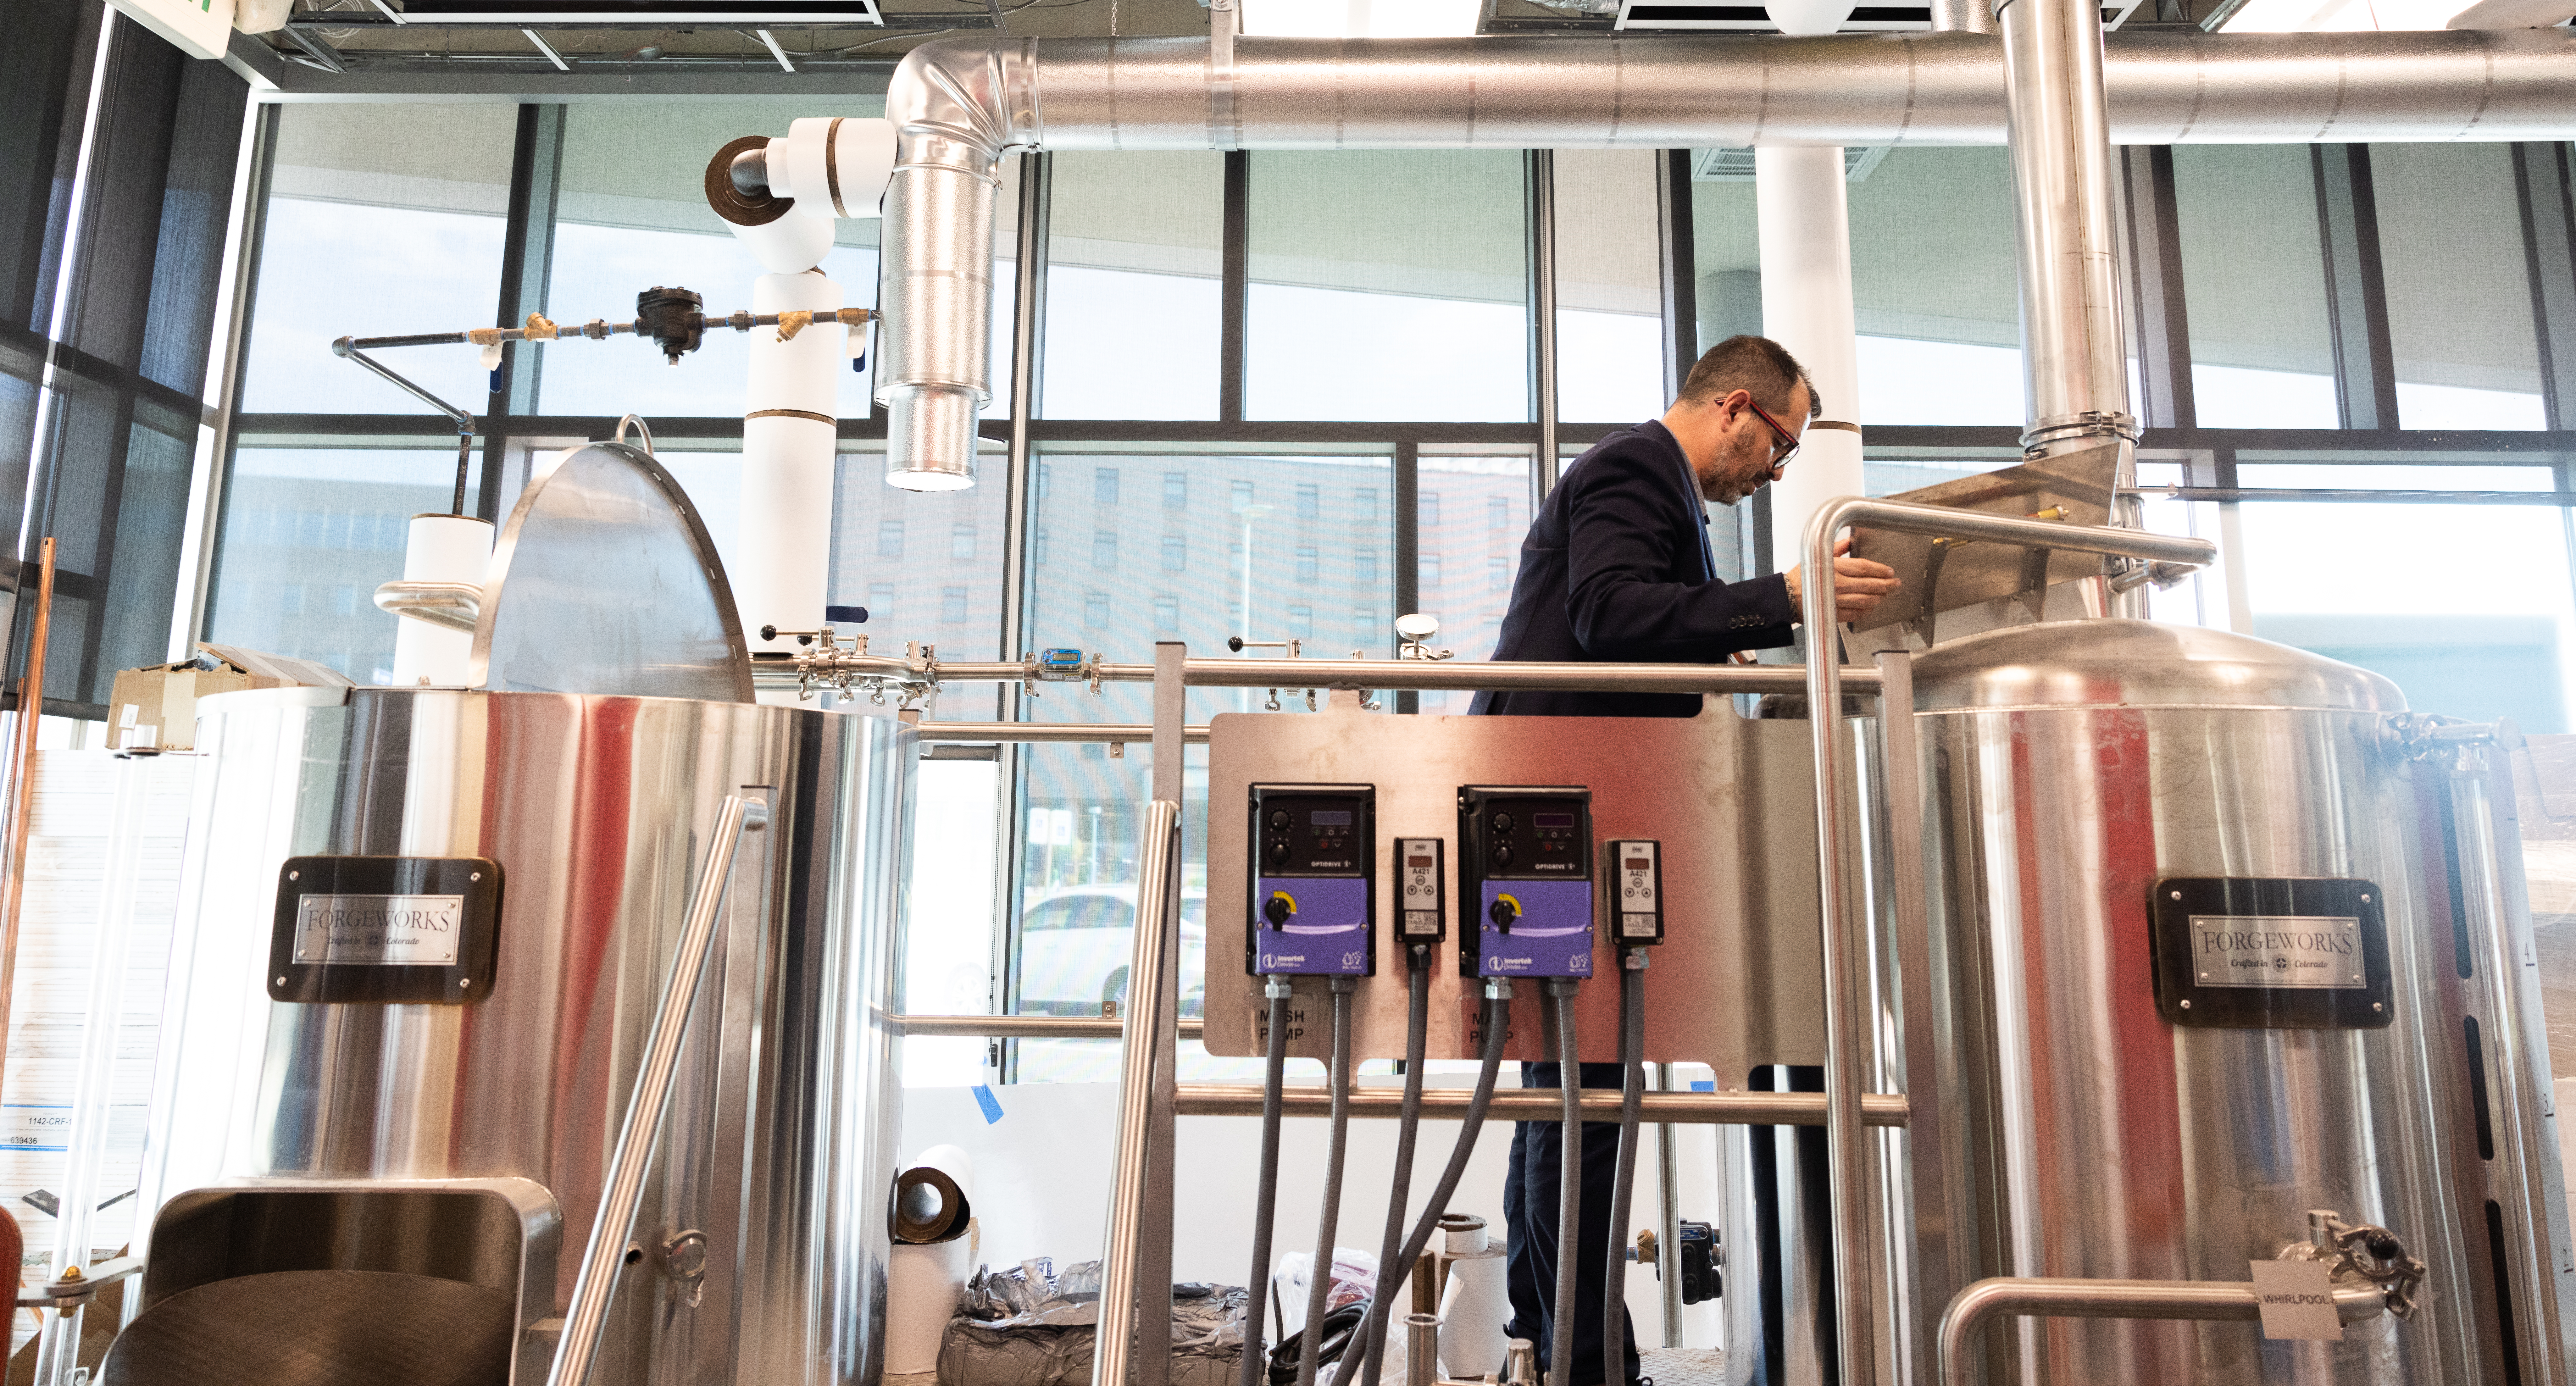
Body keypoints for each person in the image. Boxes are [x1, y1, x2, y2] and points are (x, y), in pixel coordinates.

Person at [1470, 334, 1900, 1385]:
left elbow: (1623, 629)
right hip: (1553, 812)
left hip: (1569, 811)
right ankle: (1580, 1351)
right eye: (1781, 448)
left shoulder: (1660, 492)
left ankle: (1561, 1335)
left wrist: (1720, 649)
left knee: (1566, 1084)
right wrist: (1783, 597)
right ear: (1738, 408)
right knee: (1583, 1090)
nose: (1775, 472)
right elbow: (1608, 613)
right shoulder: (1631, 467)